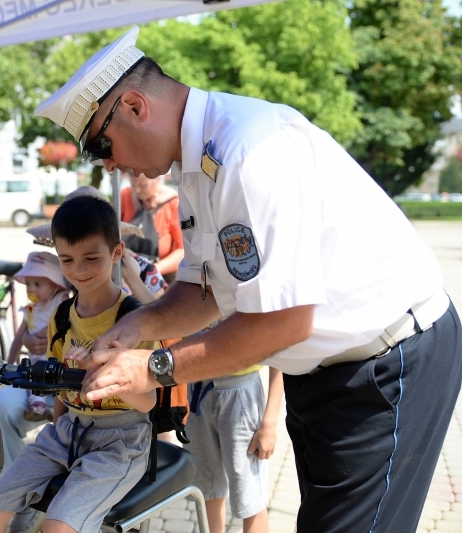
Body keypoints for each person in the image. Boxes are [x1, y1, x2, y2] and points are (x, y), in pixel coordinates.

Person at [35, 26, 462, 532]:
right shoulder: (196, 162)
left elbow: (282, 322)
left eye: (100, 144)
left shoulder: (249, 149)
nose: (106, 162)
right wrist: (132, 327)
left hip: (386, 362)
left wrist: (153, 367)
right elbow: (206, 289)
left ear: (133, 105)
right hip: (326, 371)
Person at [0, 194, 159, 533]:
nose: (79, 270)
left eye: (91, 257)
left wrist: (103, 372)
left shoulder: (137, 319)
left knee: (58, 527)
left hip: (120, 438)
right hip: (66, 431)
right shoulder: (61, 315)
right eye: (67, 260)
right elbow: (61, 391)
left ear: (117, 252)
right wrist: (57, 423)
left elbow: (149, 403)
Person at [184, 327, 283, 533]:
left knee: (249, 496)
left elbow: (279, 350)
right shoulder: (193, 293)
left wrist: (270, 422)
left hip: (240, 393)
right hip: (198, 391)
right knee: (208, 488)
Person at [7, 251, 69, 422]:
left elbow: (66, 322)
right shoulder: (30, 310)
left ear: (56, 285)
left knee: (60, 385)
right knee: (31, 378)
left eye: (37, 284)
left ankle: (54, 412)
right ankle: (38, 406)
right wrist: (8, 364)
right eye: (28, 284)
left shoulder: (61, 300)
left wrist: (49, 330)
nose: (31, 289)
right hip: (37, 365)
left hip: (58, 363)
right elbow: (19, 338)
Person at [120, 172, 182, 282]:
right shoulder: (124, 197)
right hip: (126, 275)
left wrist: (151, 271)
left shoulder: (174, 204)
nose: (137, 190)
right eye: (133, 185)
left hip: (162, 278)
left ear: (157, 179)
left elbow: (182, 251)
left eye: (143, 185)